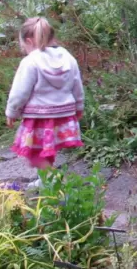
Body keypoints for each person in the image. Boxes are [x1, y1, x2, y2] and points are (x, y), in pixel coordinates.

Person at [6, 17, 84, 188]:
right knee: (46, 149)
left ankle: (54, 179)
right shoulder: (68, 58)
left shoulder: (30, 61)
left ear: (29, 41)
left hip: (40, 116)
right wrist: (79, 106)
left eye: (23, 46)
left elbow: (20, 92)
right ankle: (45, 181)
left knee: (33, 153)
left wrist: (12, 112)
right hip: (64, 114)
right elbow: (77, 84)